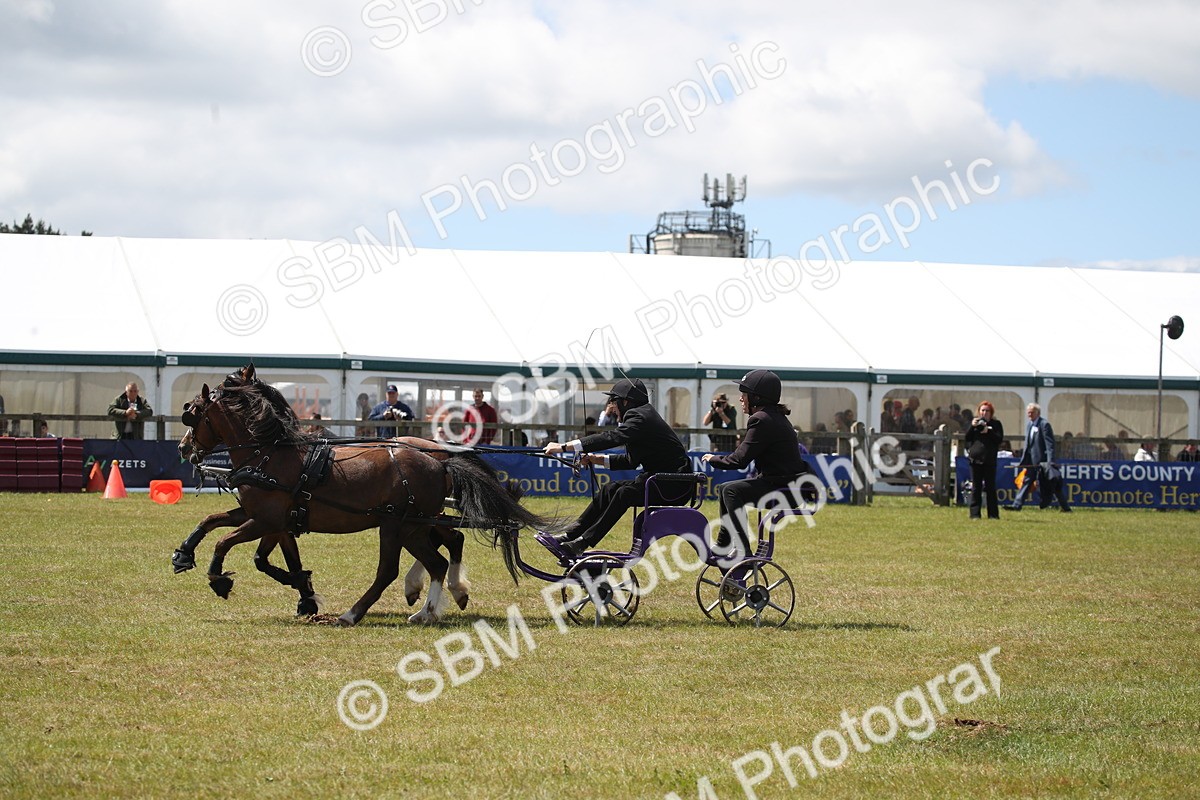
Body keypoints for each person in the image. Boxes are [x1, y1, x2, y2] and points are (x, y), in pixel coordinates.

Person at [542, 378, 690, 556]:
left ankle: (582, 543)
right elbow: (630, 461)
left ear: (625, 402)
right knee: (609, 488)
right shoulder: (642, 416)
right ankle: (569, 535)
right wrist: (595, 459)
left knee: (623, 494)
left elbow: (612, 437)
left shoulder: (639, 417)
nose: (611, 406)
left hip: (675, 485)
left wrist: (563, 447)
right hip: (662, 481)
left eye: (613, 401)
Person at [702, 370, 812, 559]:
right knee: (725, 488)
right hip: (784, 485)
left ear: (756, 397)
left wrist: (713, 459)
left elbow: (739, 460)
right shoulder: (773, 417)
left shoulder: (761, 420)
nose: (740, 399)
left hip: (783, 490)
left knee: (731, 491)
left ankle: (742, 550)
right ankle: (724, 544)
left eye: (744, 395)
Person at [1009, 403, 1070, 512]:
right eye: (1028, 412)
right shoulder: (1029, 425)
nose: (1029, 414)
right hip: (1031, 462)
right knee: (1026, 481)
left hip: (1043, 462)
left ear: (1038, 413)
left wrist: (1050, 461)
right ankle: (1016, 505)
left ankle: (1065, 507)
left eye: (1031, 412)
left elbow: (1049, 444)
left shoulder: (1044, 424)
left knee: (1054, 485)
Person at [964, 401, 1004, 520]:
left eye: (987, 411)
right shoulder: (975, 424)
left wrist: (989, 431)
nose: (984, 413)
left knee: (990, 488)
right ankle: (975, 514)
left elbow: (998, 440)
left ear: (991, 413)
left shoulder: (996, 424)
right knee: (976, 487)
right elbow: (967, 438)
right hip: (975, 460)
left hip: (989, 460)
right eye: (982, 410)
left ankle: (993, 514)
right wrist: (972, 426)